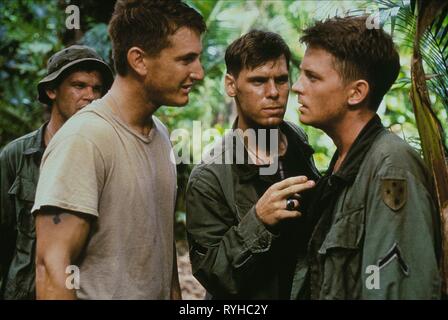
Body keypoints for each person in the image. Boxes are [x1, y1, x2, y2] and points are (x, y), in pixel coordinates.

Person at [32, 0, 205, 299]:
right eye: (185, 59)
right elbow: (51, 270)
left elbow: (162, 268)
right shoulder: (85, 138)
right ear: (139, 60)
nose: (199, 72)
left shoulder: (161, 135)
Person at [291, 16, 441, 299]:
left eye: (312, 77)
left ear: (356, 92)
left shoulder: (391, 167)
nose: (297, 87)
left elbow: (398, 290)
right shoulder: (345, 164)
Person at [186, 30, 320, 299]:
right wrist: (259, 221)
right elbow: (214, 276)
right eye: (258, 81)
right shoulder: (209, 177)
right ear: (231, 85)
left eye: (281, 80)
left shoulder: (298, 140)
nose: (273, 93)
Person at [0, 45, 113, 300]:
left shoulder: (107, 154)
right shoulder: (16, 156)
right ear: (51, 90)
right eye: (79, 86)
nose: (90, 96)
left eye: (97, 89)